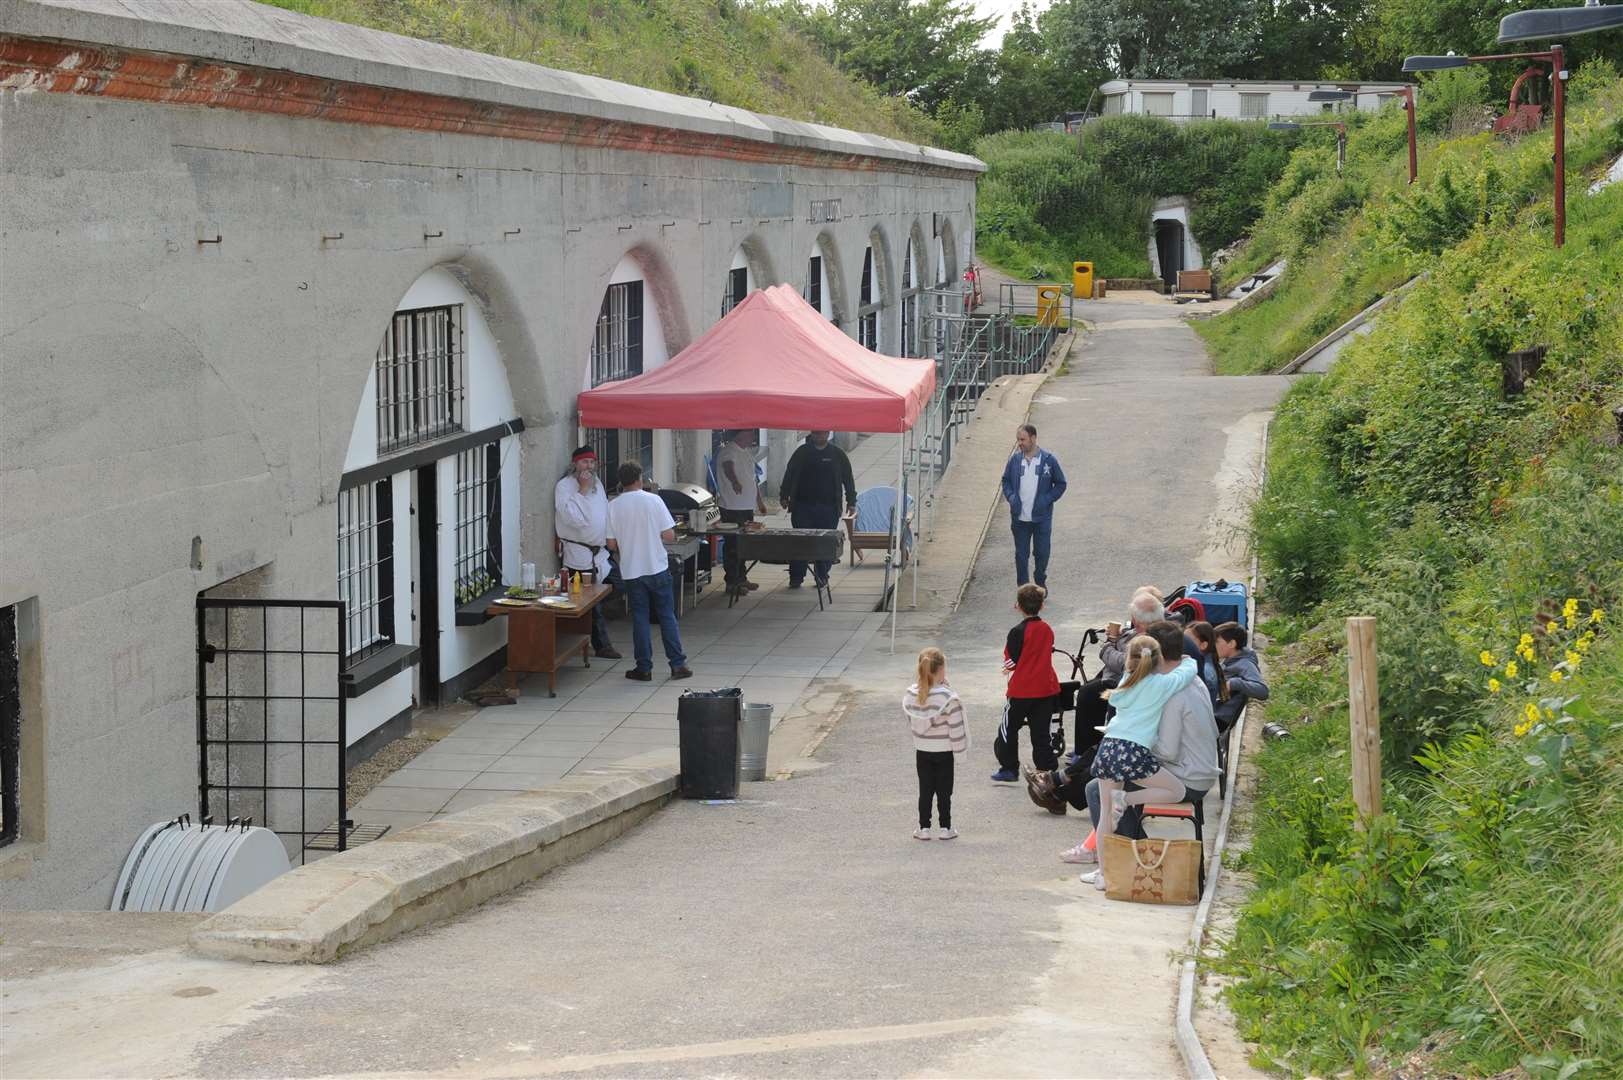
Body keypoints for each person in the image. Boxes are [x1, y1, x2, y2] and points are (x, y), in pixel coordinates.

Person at [1079, 634, 1196, 889]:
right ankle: (1127, 801)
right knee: (1176, 790)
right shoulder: (1162, 684)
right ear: (1160, 659)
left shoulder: (1125, 683)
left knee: (1105, 819)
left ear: (1129, 661)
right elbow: (1186, 673)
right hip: (1133, 750)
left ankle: (1103, 874)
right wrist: (1188, 660)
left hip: (1109, 747)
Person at [605, 461, 691, 682]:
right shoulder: (654, 500)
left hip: (632, 571)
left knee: (640, 619)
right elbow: (669, 535)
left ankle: (643, 668)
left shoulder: (613, 506)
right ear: (639, 479)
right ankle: (677, 665)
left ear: (621, 481)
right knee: (666, 616)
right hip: (658, 567)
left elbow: (612, 545)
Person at [1068, 591, 1167, 768]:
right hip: (1122, 678)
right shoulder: (1148, 630)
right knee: (1091, 690)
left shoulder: (1149, 638)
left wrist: (1107, 646)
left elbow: (1125, 663)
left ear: (1138, 619)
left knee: (1088, 694)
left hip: (1127, 682)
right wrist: (1117, 637)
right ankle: (1085, 749)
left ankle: (1085, 752)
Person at [553, 446, 621, 659]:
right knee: (592, 602)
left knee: (620, 583)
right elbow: (574, 518)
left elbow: (602, 511)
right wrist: (581, 489)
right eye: (584, 463)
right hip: (579, 555)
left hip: (600, 553)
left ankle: (590, 633)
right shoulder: (565, 487)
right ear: (575, 464)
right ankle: (602, 646)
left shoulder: (597, 484)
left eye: (592, 463)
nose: (588, 467)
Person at [991, 584, 1061, 782]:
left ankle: (1009, 767)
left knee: (1008, 729)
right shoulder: (1047, 629)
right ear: (1042, 606)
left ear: (1018, 606)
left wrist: (1008, 667)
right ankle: (1046, 769)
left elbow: (1011, 661)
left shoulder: (1017, 631)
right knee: (1041, 733)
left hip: (1021, 689)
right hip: (1045, 688)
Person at [904, 647, 969, 840]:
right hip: (944, 751)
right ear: (941, 670)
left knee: (925, 790)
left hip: (922, 749)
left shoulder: (911, 695)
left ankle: (923, 828)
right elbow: (955, 728)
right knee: (944, 791)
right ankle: (945, 828)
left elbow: (912, 721)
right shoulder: (948, 697)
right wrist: (960, 753)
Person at [779, 431, 856, 590]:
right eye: (816, 433)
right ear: (812, 434)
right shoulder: (802, 452)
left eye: (822, 433)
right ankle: (796, 577)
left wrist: (851, 501)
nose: (819, 436)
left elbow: (848, 478)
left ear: (828, 434)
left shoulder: (837, 454)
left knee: (825, 543)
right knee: (801, 542)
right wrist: (784, 495)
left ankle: (822, 576)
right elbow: (789, 474)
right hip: (802, 507)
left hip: (829, 508)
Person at [999, 425, 1067, 591]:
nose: (1019, 443)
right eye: (1018, 440)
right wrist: (1012, 498)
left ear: (1033, 438)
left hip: (1041, 519)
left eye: (1022, 439)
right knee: (1021, 555)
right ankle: (1023, 589)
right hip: (1020, 519)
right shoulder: (1015, 460)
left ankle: (1039, 582)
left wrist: (1046, 499)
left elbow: (1061, 484)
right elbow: (1006, 481)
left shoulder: (1048, 460)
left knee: (1042, 553)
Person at [714, 429, 766, 594]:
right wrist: (735, 482)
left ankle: (742, 578)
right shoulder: (728, 450)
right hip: (732, 506)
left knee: (743, 545)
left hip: (746, 506)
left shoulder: (745, 452)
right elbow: (728, 467)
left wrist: (759, 501)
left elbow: (753, 479)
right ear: (740, 435)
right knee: (732, 546)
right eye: (750, 433)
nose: (753, 437)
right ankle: (732, 582)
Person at [1214, 622, 1268, 732]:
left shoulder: (1245, 663)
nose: (1213, 645)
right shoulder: (1229, 658)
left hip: (1219, 718)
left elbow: (1262, 691)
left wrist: (1234, 683)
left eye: (1217, 642)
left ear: (1232, 644)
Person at [1185, 621, 1229, 708]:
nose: (1184, 643)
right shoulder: (1206, 662)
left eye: (1188, 640)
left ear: (1203, 645)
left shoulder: (1205, 671)